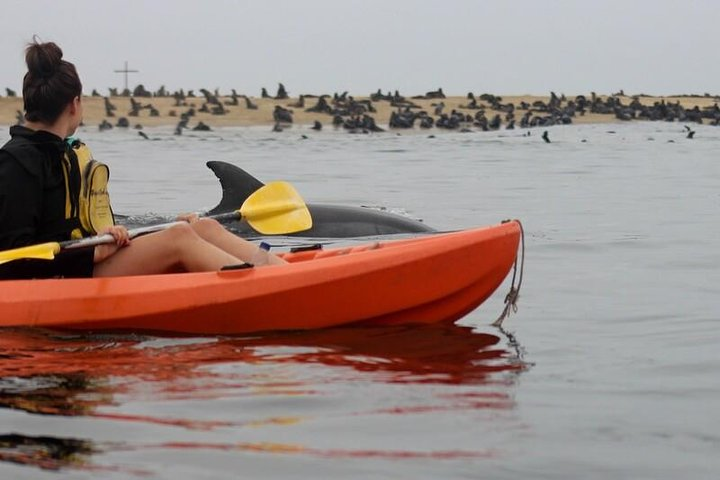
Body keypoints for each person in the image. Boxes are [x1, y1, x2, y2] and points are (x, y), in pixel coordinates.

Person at [0, 39, 286, 280]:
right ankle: (266, 288)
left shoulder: (64, 154)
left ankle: (282, 276)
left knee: (200, 227)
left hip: (83, 261)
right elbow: (12, 258)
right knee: (179, 239)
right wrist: (93, 252)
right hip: (57, 279)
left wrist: (128, 234)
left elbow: (81, 230)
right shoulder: (17, 163)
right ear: (75, 105)